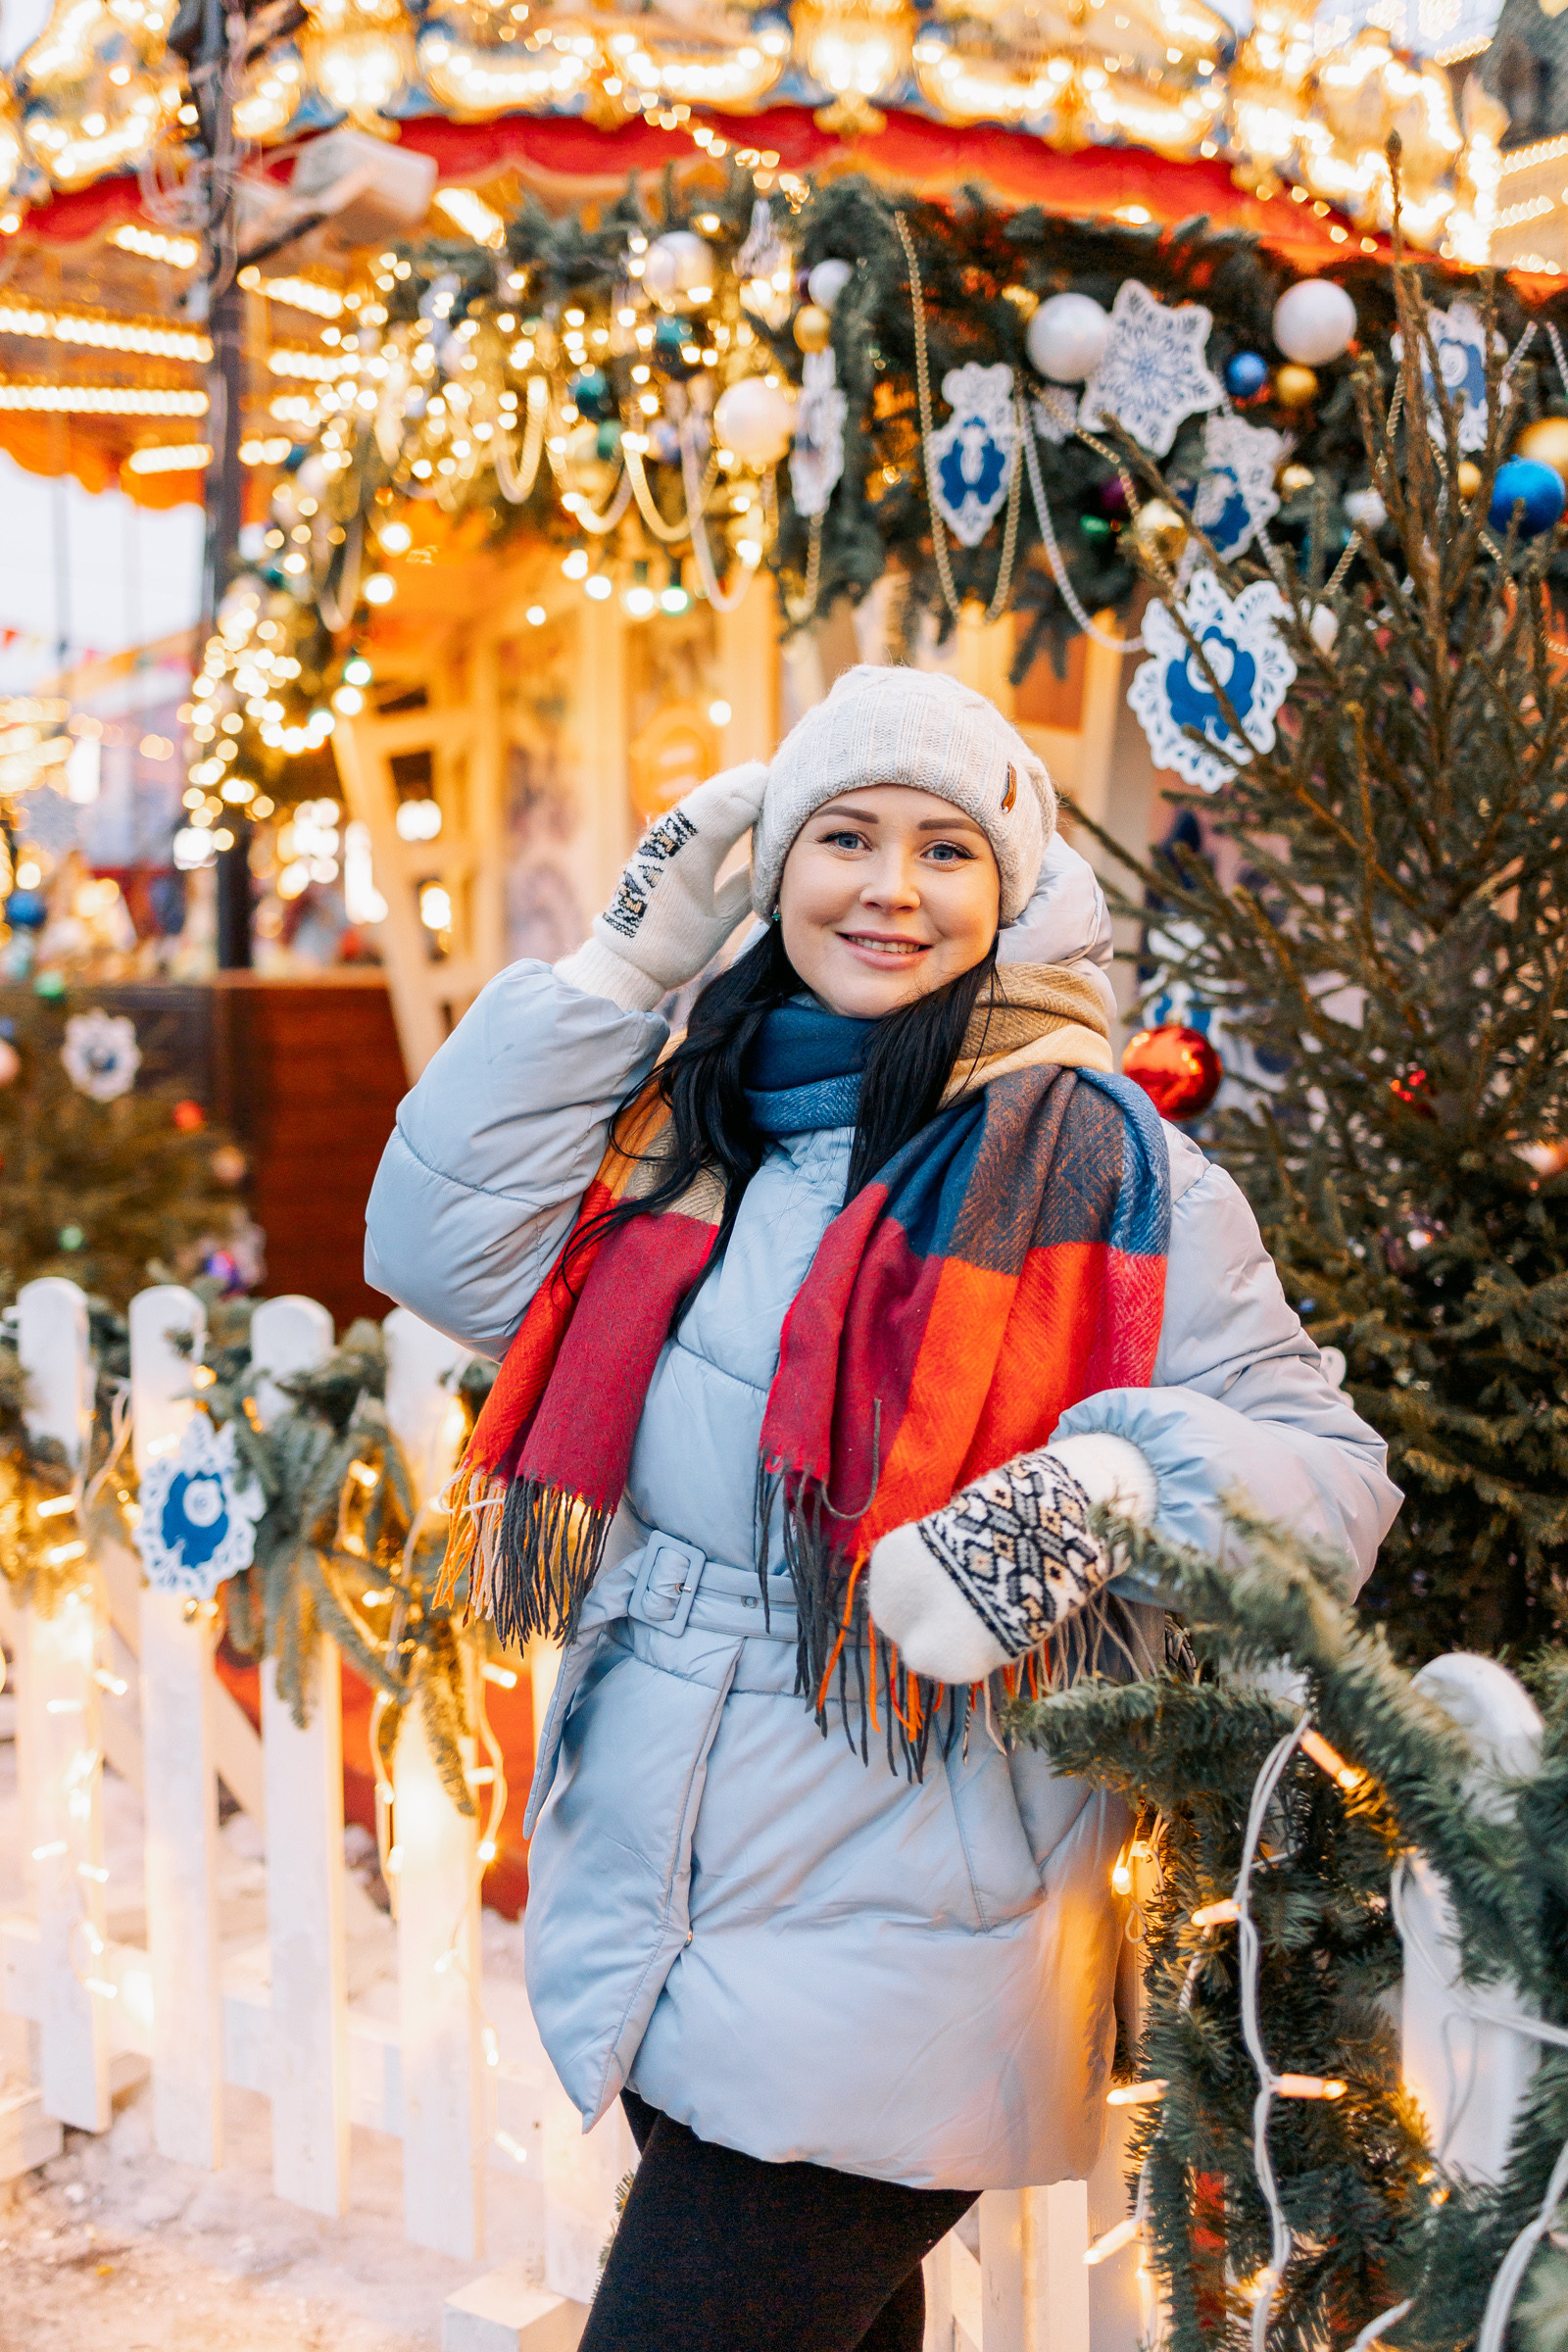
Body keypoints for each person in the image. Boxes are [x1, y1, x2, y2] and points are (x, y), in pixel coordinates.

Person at [365, 664, 1399, 2352]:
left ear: (1011, 888)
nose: (891, 889)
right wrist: (620, 968)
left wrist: (1095, 1492)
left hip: (917, 1889)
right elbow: (437, 1253)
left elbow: (1331, 1475)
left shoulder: (1105, 1161)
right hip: (664, 1863)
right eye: (845, 836)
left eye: (947, 847)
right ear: (776, 868)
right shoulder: (700, 1113)